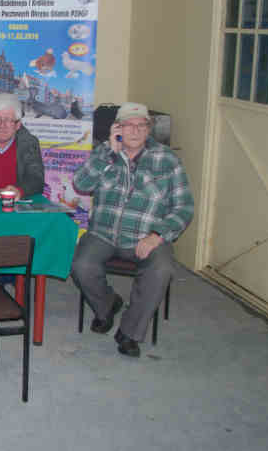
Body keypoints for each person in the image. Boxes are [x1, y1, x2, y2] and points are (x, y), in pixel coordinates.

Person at [70, 102, 193, 358]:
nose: (135, 131)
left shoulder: (167, 160)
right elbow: (81, 184)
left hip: (146, 236)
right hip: (103, 233)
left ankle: (130, 332)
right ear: (118, 128)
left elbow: (184, 207)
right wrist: (107, 153)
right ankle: (107, 306)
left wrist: (157, 235)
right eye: (128, 125)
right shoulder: (104, 152)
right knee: (81, 265)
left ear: (149, 129)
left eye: (141, 125)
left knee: (161, 269)